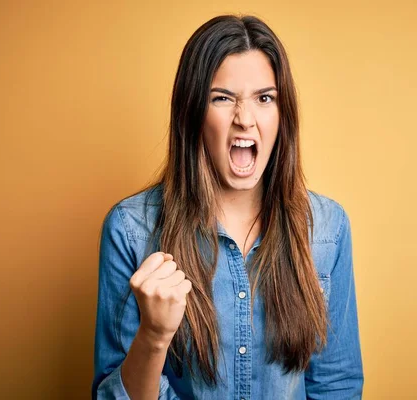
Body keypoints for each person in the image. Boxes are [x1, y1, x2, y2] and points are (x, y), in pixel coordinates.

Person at [92, 14, 363, 400]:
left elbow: (337, 387)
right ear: (193, 114)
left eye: (264, 98)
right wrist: (153, 336)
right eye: (222, 98)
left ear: (282, 116)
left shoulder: (327, 228)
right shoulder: (131, 229)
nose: (245, 120)